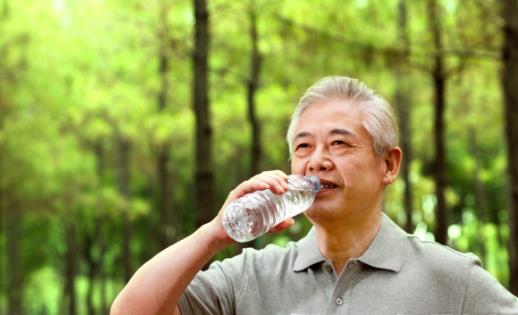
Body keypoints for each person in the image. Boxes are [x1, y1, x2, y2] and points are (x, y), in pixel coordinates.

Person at [111, 76, 518, 315]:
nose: (317, 162)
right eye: (303, 148)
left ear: (389, 166)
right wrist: (215, 234)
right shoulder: (252, 275)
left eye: (340, 144)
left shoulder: (451, 279)